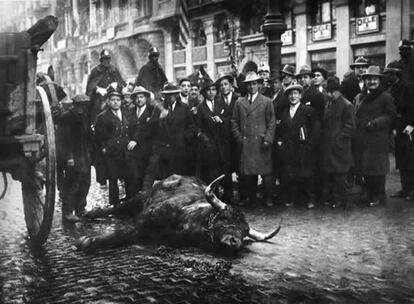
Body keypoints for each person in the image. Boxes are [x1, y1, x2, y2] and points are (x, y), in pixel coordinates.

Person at [353, 66, 397, 207]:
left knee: (377, 169)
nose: (371, 81)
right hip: (362, 137)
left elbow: (391, 116)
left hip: (377, 137)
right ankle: (368, 193)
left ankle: (379, 196)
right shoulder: (359, 97)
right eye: (368, 79)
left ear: (379, 80)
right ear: (364, 81)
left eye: (374, 79)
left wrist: (375, 123)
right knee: (365, 168)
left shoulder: (385, 97)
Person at [231, 71, 276, 207]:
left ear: (259, 85)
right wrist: (239, 137)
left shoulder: (266, 101)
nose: (251, 87)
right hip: (246, 143)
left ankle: (268, 198)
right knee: (248, 175)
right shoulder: (240, 102)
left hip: (261, 143)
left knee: (266, 174)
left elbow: (272, 122)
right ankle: (250, 198)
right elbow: (234, 121)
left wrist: (268, 139)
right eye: (249, 84)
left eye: (254, 84)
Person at [142, 83, 197, 189]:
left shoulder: (184, 107)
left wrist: (185, 138)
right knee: (158, 174)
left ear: (177, 95)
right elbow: (150, 127)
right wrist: (160, 119)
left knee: (179, 176)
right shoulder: (159, 108)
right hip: (163, 148)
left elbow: (191, 126)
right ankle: (147, 195)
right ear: (164, 96)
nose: (170, 97)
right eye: (168, 95)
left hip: (179, 148)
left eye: (173, 95)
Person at [276, 84, 320, 209]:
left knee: (306, 175)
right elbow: (280, 130)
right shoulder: (284, 112)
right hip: (289, 149)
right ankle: (292, 199)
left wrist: (310, 146)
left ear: (300, 96)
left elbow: (315, 131)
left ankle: (310, 199)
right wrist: (280, 142)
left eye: (295, 93)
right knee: (290, 175)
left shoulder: (308, 111)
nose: (293, 96)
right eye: (290, 94)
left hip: (303, 149)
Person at [95, 83, 137, 206]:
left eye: (118, 100)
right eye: (112, 100)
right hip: (111, 152)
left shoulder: (126, 114)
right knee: (113, 179)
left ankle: (130, 201)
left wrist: (133, 140)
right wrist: (104, 148)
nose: (115, 102)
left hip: (125, 151)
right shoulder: (102, 117)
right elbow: (98, 137)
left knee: (129, 176)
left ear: (121, 101)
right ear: (108, 102)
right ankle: (115, 204)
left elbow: (132, 130)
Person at [321, 77, 356, 208]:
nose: (329, 94)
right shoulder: (328, 103)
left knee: (340, 176)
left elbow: (350, 127)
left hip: (340, 147)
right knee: (331, 175)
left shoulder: (347, 105)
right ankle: (333, 199)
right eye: (327, 91)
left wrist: (338, 140)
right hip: (329, 146)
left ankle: (341, 200)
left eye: (332, 91)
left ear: (338, 91)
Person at [58, 94, 93, 222]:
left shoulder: (83, 117)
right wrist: (69, 157)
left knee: (85, 183)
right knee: (72, 184)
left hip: (84, 155)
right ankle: (67, 212)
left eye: (84, 106)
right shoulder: (66, 117)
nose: (83, 108)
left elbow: (87, 136)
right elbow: (63, 140)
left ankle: (80, 209)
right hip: (73, 156)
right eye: (81, 106)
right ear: (76, 105)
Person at [383, 60, 414, 200]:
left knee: (410, 160)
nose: (387, 77)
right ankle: (405, 188)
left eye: (389, 74)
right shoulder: (391, 89)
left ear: (396, 74)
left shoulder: (408, 87)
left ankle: (412, 190)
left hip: (408, 128)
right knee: (401, 160)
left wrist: (412, 125)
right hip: (398, 127)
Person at [85, 49, 125, 126]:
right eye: (104, 59)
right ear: (101, 60)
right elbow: (90, 87)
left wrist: (117, 84)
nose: (106, 61)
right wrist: (97, 89)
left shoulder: (114, 69)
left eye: (108, 58)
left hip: (114, 94)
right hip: (100, 97)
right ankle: (94, 124)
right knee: (96, 107)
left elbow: (121, 82)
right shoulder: (95, 71)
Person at [128, 86, 154, 191]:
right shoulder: (130, 112)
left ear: (146, 98)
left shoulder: (152, 111)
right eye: (137, 97)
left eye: (141, 97)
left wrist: (136, 139)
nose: (139, 100)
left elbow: (150, 129)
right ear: (134, 99)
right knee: (134, 177)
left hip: (148, 149)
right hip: (133, 151)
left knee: (146, 177)